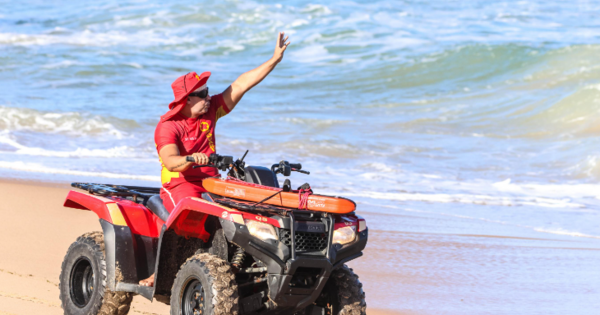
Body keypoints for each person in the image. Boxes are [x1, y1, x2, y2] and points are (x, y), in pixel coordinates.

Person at [139, 32, 290, 287]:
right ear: (186, 100)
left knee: (242, 211)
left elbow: (241, 84)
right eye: (203, 93)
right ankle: (161, 272)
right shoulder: (168, 127)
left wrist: (274, 59)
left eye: (208, 91)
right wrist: (190, 159)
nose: (209, 96)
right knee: (191, 215)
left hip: (211, 181)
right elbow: (170, 162)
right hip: (180, 184)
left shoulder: (210, 111)